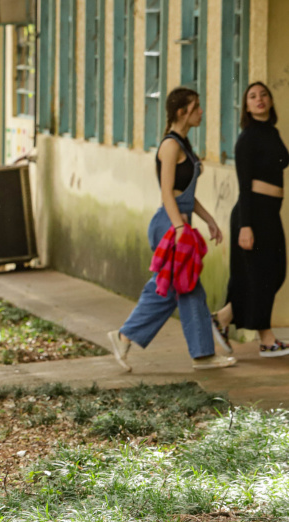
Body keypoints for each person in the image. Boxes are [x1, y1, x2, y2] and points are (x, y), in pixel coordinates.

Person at [107, 88, 236, 371]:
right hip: (170, 224)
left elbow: (186, 192)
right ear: (182, 112)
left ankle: (131, 337)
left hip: (180, 221)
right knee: (177, 288)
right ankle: (196, 353)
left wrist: (209, 219)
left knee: (178, 289)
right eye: (196, 107)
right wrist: (179, 226)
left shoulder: (183, 143)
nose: (201, 112)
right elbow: (167, 192)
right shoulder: (170, 146)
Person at [213, 82, 289, 358]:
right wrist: (245, 225)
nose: (259, 99)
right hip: (252, 213)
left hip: (269, 213)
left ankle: (223, 317)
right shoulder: (247, 138)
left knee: (273, 272)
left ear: (270, 101)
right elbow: (244, 185)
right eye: (252, 97)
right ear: (246, 106)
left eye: (263, 95)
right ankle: (266, 339)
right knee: (262, 275)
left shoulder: (273, 133)